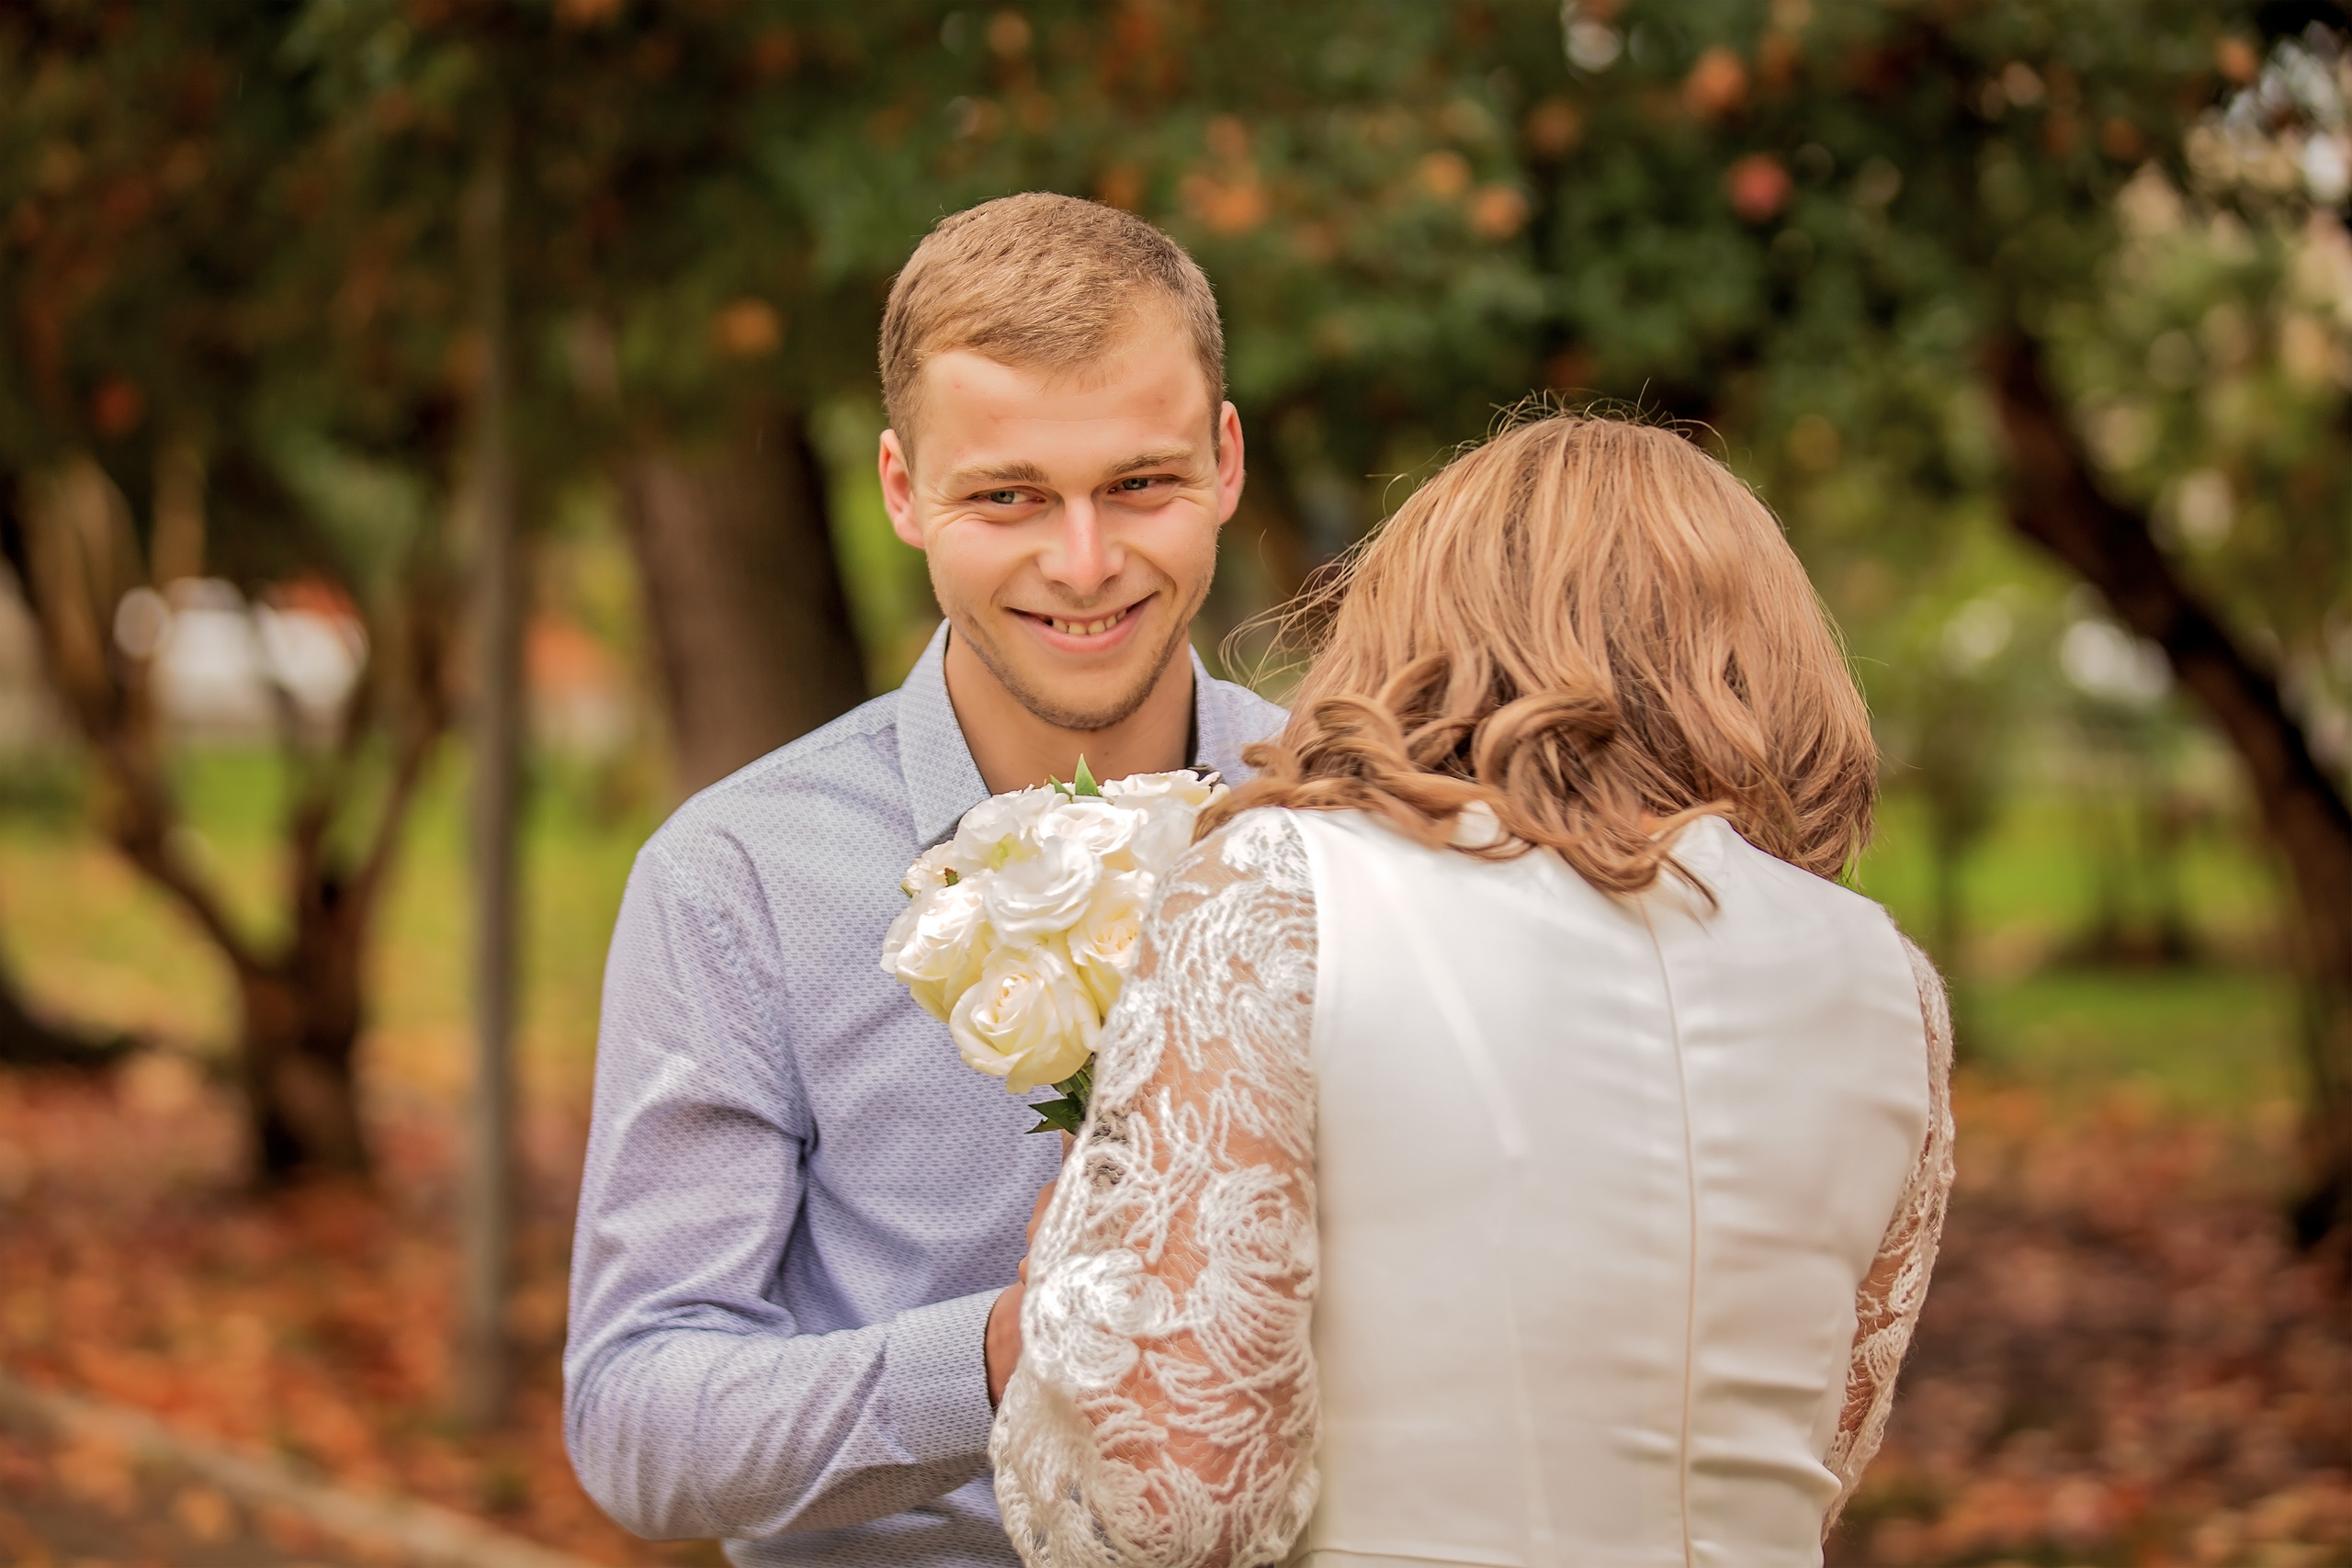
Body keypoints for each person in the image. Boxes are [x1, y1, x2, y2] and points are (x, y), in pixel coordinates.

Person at [991, 412, 1956, 1568]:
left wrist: (1070, 1290)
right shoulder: (1885, 979)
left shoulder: (1287, 890)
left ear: (1414, 624)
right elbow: (1817, 1457)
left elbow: (1182, 1505)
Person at [563, 193, 1284, 1568]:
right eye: (1007, 496)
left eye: (1139, 482)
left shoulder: (1357, 817)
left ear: (1227, 458)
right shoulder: (737, 880)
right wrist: (1001, 1355)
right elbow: (636, 1413)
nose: (1084, 563)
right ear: (902, 489)